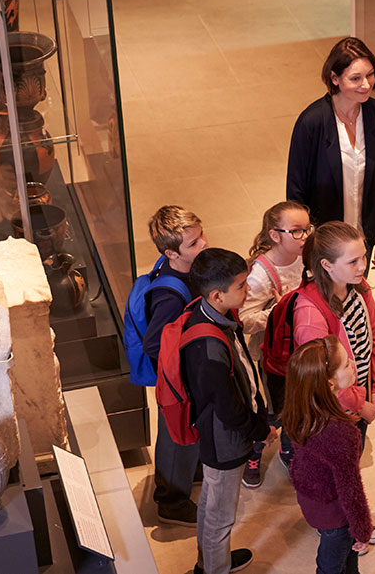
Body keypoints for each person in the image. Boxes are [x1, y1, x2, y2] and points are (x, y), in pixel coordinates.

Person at [292, 221, 375, 550]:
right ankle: (341, 524)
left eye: (363, 257)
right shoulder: (310, 315)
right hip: (338, 411)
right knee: (340, 474)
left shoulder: (359, 288)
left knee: (351, 464)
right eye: (353, 261)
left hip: (359, 400)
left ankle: (348, 519)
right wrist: (361, 407)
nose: (363, 267)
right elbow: (325, 380)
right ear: (326, 265)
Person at [183, 248, 276, 574]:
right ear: (217, 295)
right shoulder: (208, 347)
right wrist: (259, 430)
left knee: (211, 502)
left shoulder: (212, 314)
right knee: (221, 516)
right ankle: (214, 568)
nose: (248, 289)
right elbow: (228, 406)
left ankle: (209, 561)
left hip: (221, 435)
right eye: (241, 286)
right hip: (224, 440)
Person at [287, 36, 375, 268]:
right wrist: (304, 242)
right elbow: (295, 193)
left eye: (370, 75)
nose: (366, 84)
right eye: (355, 78)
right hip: (324, 245)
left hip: (362, 240)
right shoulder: (311, 123)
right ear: (334, 79)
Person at [283, 336, 374, 574]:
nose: (353, 363)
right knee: (331, 565)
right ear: (330, 384)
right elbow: (350, 490)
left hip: (313, 501)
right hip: (335, 515)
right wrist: (363, 529)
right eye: (345, 364)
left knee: (345, 562)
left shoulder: (300, 411)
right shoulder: (341, 434)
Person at [238, 201, 311, 487]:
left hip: (304, 346)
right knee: (275, 409)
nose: (304, 237)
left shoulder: (307, 256)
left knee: (300, 404)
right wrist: (279, 311)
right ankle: (254, 453)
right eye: (296, 231)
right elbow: (244, 320)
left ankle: (288, 449)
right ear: (275, 235)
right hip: (274, 355)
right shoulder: (260, 274)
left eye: (306, 229)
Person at [144, 205, 207, 526]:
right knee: (174, 435)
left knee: (186, 433)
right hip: (177, 380)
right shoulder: (170, 294)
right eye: (194, 243)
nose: (203, 244)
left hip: (188, 374)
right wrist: (182, 368)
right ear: (171, 252)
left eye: (201, 237)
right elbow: (155, 343)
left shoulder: (187, 270)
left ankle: (189, 472)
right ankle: (171, 500)